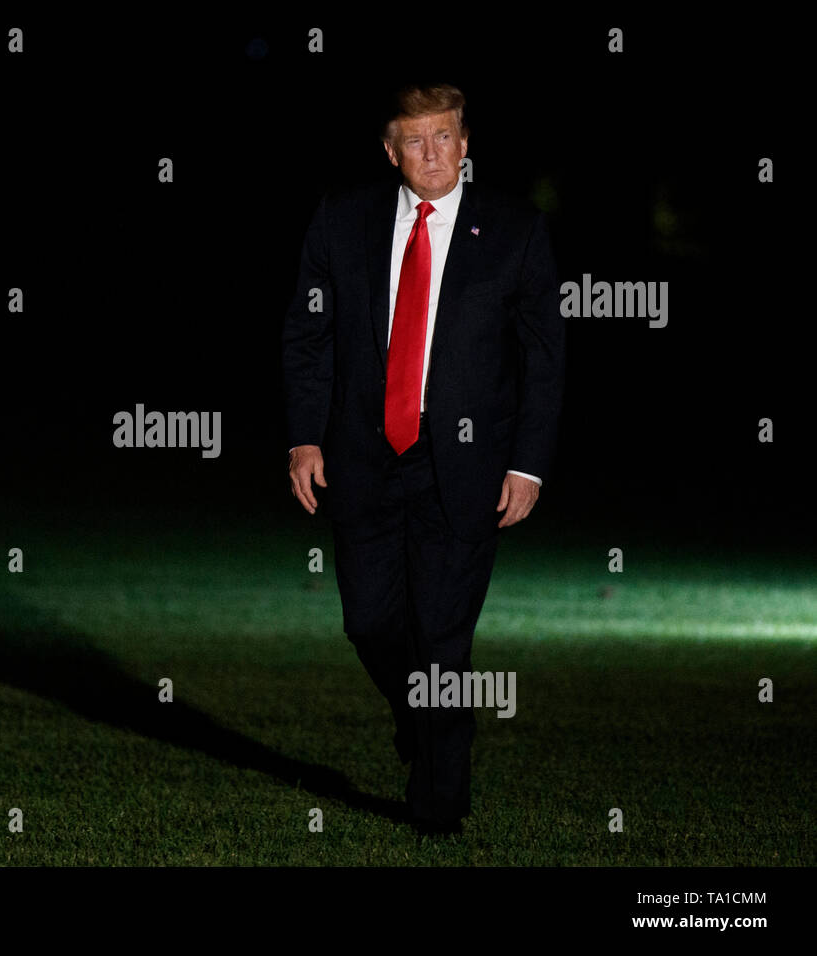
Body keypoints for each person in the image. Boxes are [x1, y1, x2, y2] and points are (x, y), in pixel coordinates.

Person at [281, 83, 565, 835]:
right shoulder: (343, 222)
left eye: (445, 137)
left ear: (466, 143)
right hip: (364, 459)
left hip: (466, 467)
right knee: (369, 622)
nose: (432, 153)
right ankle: (423, 715)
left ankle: (438, 807)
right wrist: (304, 437)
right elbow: (307, 338)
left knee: (442, 637)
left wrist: (528, 465)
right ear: (390, 150)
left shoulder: (514, 230)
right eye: (415, 140)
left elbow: (544, 360)